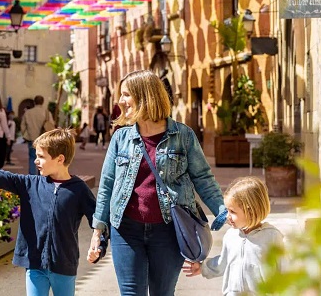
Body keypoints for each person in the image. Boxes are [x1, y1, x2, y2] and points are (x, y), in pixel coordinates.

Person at [87, 70, 227, 296]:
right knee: (131, 293)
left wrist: (221, 211)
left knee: (163, 292)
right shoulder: (121, 138)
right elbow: (107, 185)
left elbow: (202, 178)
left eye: (126, 94)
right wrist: (98, 230)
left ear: (145, 96)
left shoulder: (183, 136)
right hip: (126, 229)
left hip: (169, 229)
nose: (121, 101)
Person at [0, 129, 104, 296]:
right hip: (34, 265)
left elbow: (99, 221)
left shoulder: (79, 190)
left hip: (64, 266)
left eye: (41, 157)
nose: (36, 161)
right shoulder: (30, 184)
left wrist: (99, 248)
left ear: (60, 159)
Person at [182, 176, 284, 295]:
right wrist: (203, 268)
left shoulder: (272, 237)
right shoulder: (231, 236)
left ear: (250, 211)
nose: (227, 216)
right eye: (227, 211)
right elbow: (223, 262)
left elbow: (285, 271)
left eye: (232, 212)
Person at [21, 95, 55, 175]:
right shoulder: (47, 113)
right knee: (42, 157)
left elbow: (23, 125)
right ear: (42, 102)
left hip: (31, 138)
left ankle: (32, 176)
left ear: (34, 102)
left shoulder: (28, 112)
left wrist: (25, 134)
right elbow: (51, 125)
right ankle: (41, 175)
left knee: (32, 157)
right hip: (44, 139)